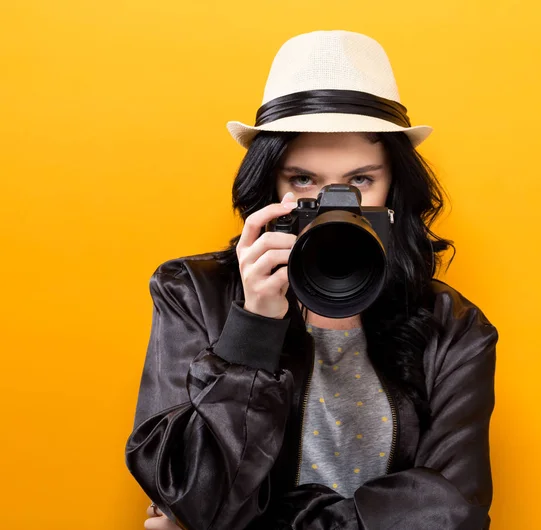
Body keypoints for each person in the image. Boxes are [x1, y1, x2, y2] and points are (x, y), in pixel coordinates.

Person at [125, 30, 499, 530]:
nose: (333, 202)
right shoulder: (192, 293)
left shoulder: (453, 328)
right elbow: (189, 490)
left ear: (394, 189)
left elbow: (451, 512)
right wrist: (252, 328)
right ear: (270, 188)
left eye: (361, 180)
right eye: (304, 180)